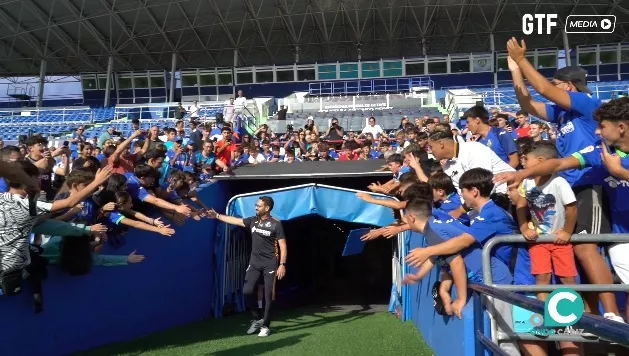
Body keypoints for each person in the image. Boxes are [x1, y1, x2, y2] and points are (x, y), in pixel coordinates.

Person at [495, 97, 629, 322]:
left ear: (621, 127)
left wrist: (620, 172)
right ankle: (615, 321)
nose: (597, 132)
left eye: (602, 126)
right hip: (621, 234)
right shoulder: (602, 152)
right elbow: (558, 164)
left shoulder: (613, 163)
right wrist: (520, 174)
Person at [207, 196, 287, 337]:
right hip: (254, 262)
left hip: (270, 263)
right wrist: (217, 216)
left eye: (259, 206)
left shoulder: (276, 224)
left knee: (268, 295)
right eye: (256, 205)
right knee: (247, 291)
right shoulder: (252, 221)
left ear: (267, 208)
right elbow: (236, 221)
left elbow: (283, 246)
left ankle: (266, 326)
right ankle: (257, 319)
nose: (256, 207)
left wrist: (282, 264)